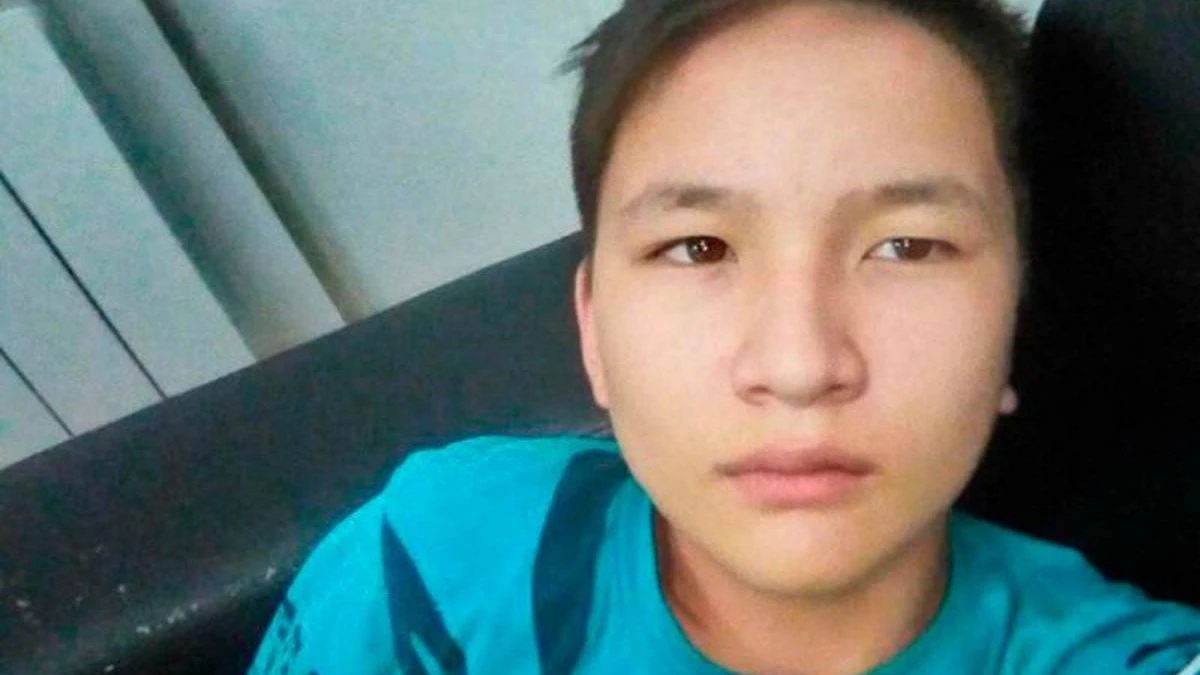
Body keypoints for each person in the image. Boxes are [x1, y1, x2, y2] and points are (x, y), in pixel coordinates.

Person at [247, 0, 1200, 673]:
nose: (800, 365)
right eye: (698, 246)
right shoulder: (434, 571)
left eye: (907, 245)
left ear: (1013, 329)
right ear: (594, 331)